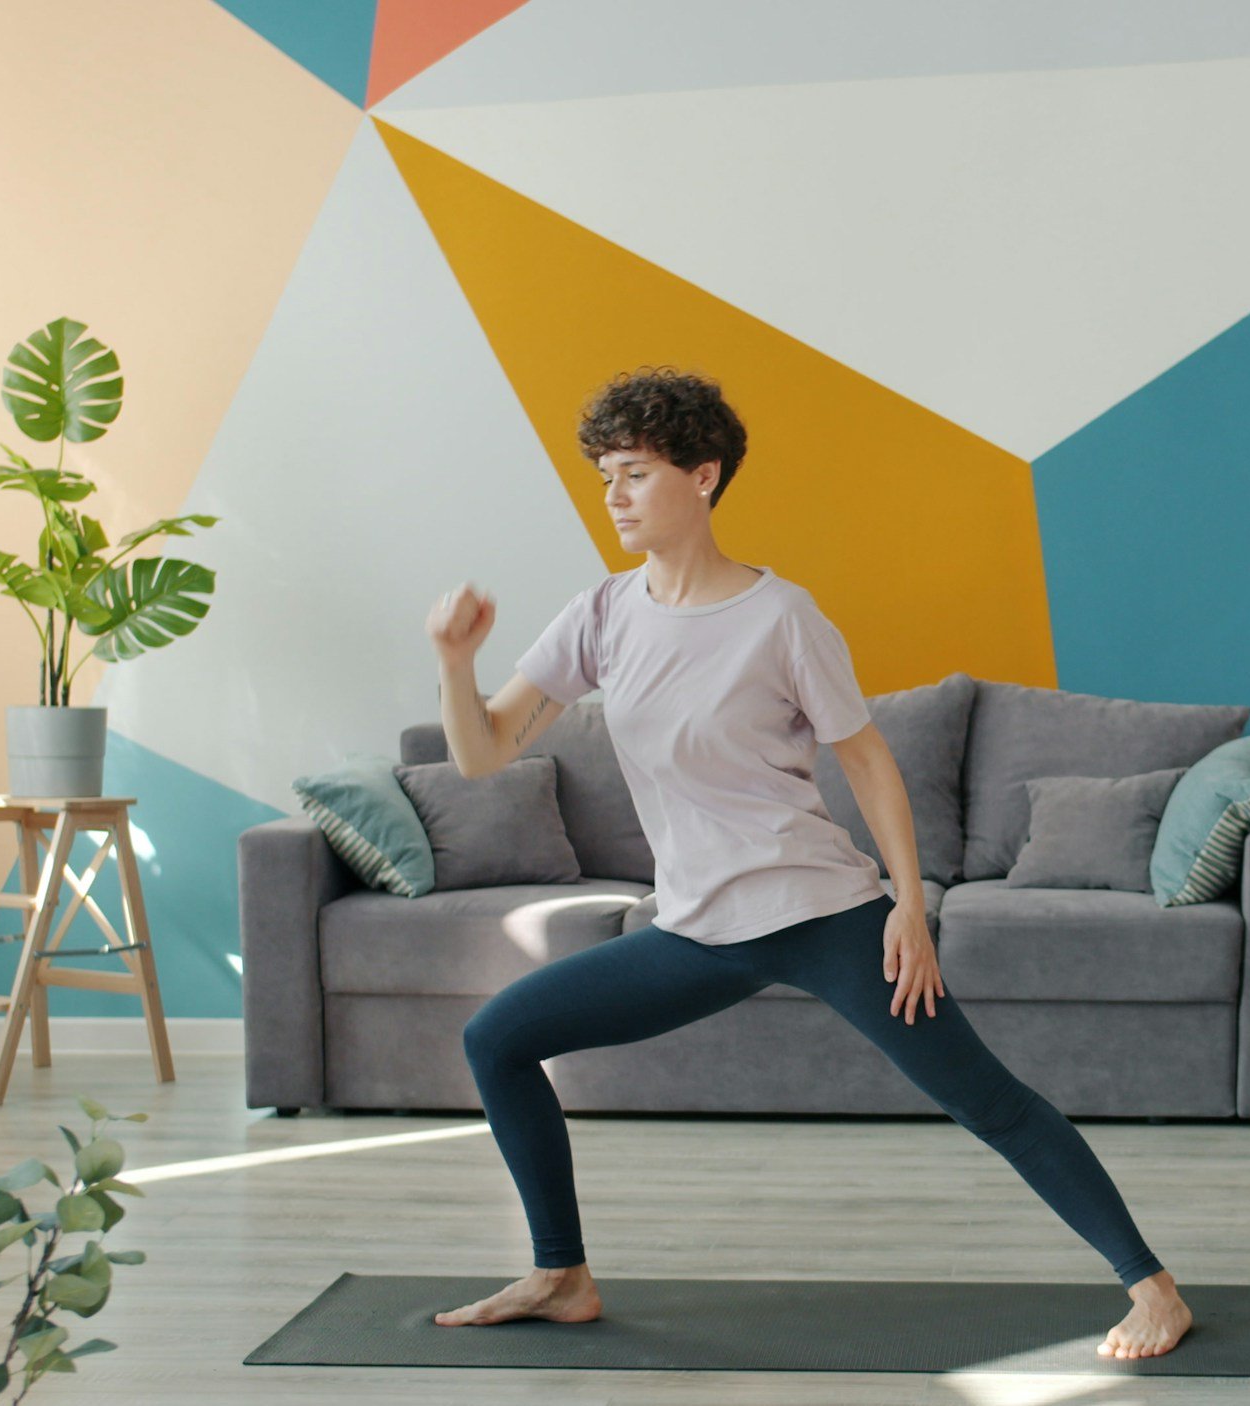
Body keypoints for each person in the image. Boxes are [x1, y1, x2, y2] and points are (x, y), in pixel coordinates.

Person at [421, 366, 1193, 1359]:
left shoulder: (781, 617)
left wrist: (909, 909)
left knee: (986, 1098)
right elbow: (481, 752)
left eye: (634, 474)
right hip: (696, 929)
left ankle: (1153, 1288)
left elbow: (867, 763)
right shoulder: (601, 616)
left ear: (702, 478)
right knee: (498, 1037)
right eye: (604, 475)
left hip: (825, 916)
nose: (612, 495)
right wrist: (454, 661)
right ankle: (560, 1272)